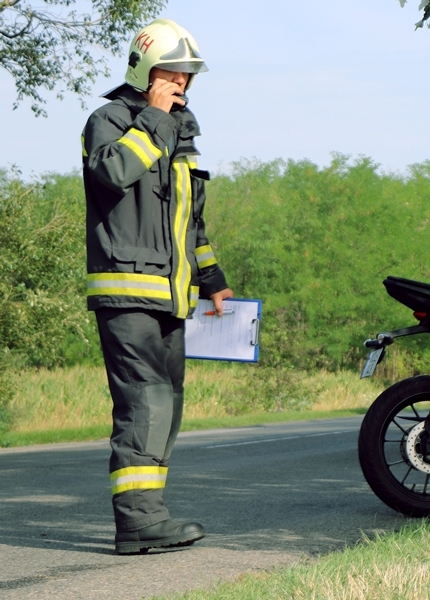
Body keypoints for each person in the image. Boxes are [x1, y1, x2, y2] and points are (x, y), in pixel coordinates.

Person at [81, 18, 233, 555]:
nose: (183, 84)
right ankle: (138, 521)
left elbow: (191, 221)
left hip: (172, 295)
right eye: (173, 72)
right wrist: (155, 119)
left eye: (189, 75)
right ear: (146, 70)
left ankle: (150, 515)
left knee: (167, 405)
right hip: (127, 292)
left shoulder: (179, 130)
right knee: (144, 403)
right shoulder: (110, 121)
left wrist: (213, 280)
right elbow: (114, 173)